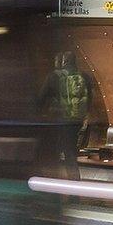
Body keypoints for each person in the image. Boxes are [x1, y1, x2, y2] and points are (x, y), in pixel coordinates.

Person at [38, 51, 91, 179]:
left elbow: (41, 99)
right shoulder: (85, 77)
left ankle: (60, 182)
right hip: (77, 121)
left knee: (55, 152)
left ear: (63, 62)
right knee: (70, 151)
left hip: (59, 121)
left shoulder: (54, 77)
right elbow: (89, 99)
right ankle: (73, 180)